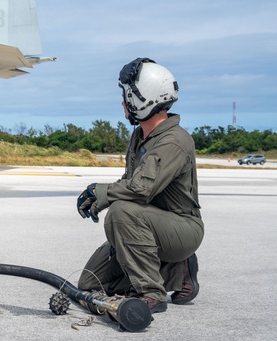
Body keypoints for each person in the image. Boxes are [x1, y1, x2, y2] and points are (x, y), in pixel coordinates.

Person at [75, 58, 203, 315]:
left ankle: (152, 293)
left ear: (143, 99)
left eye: (127, 96)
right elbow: (131, 180)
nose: (123, 103)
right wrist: (99, 196)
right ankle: (175, 271)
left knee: (121, 213)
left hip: (182, 227)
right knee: (89, 284)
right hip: (149, 222)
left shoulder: (174, 141)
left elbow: (142, 189)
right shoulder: (140, 137)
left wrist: (101, 193)